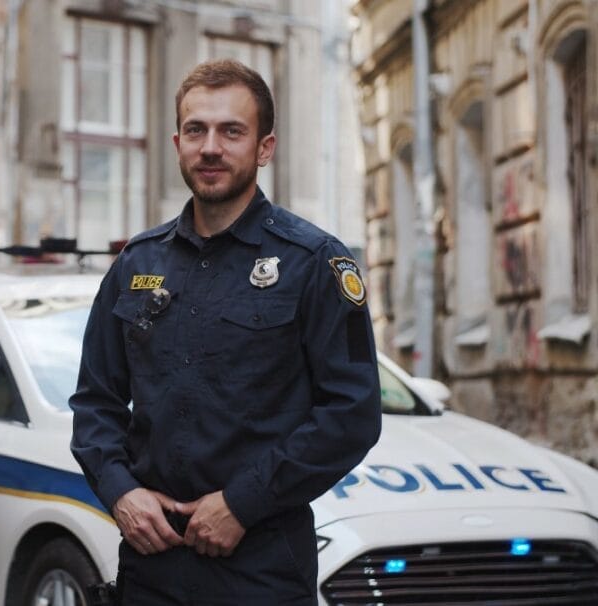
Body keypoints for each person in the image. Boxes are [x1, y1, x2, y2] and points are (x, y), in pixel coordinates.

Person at [69, 59, 382, 604]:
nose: (210, 147)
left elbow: (351, 414)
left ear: (264, 147)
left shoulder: (315, 262)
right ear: (178, 142)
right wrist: (120, 492)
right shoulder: (136, 262)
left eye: (231, 131)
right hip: (151, 564)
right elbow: (96, 401)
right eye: (196, 130)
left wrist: (242, 502)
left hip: (261, 567)